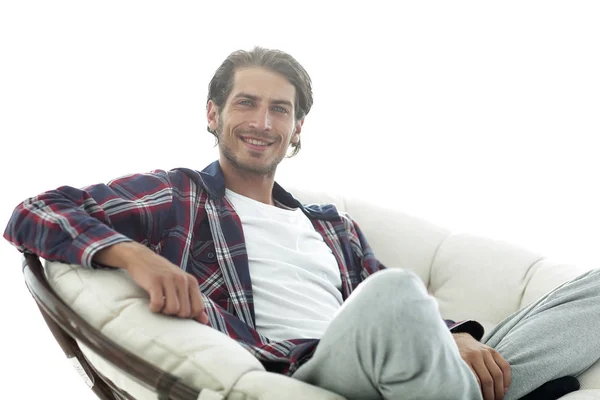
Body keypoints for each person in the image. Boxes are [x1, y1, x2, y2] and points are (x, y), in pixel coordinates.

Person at [4, 47, 599, 400]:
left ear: (297, 129)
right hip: (315, 365)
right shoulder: (181, 194)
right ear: (213, 114)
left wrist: (460, 336)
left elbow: (410, 321)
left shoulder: (331, 224)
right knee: (394, 292)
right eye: (246, 103)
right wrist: (137, 256)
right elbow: (36, 211)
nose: (262, 121)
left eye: (279, 109)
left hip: (414, 365)